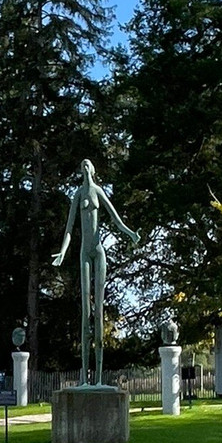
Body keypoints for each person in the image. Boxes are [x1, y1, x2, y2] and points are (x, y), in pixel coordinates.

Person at [52, 159, 140, 386]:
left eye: (88, 165)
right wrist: (63, 251)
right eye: (82, 165)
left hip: (99, 252)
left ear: (93, 169)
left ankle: (99, 379)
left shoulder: (98, 191)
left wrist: (130, 234)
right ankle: (85, 378)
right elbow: (69, 228)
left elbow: (115, 219)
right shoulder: (78, 194)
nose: (85, 167)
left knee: (98, 313)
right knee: (86, 312)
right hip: (84, 252)